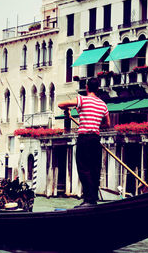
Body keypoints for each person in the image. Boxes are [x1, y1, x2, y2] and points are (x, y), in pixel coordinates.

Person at [58, 77, 110, 207]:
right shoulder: (103, 104)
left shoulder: (82, 99)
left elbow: (61, 104)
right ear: (98, 88)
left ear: (87, 87)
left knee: (84, 168)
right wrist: (96, 125)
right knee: (95, 169)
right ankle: (93, 199)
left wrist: (70, 108)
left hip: (84, 138)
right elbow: (107, 123)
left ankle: (88, 200)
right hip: (95, 139)